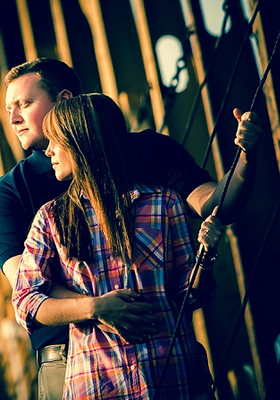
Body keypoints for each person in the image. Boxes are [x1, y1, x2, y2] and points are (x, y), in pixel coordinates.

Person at [0, 58, 263, 399]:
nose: (13, 118)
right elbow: (27, 289)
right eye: (8, 108)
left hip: (161, 355)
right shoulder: (15, 194)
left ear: (65, 100)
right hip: (71, 360)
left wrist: (246, 159)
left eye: (24, 104)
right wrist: (100, 308)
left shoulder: (152, 167)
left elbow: (213, 206)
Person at [12, 93, 221, 399]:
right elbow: (25, 301)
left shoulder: (164, 204)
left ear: (83, 142)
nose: (50, 151)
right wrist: (95, 308)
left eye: (57, 140)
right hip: (99, 385)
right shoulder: (50, 219)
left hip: (176, 378)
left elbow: (188, 296)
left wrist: (206, 257)